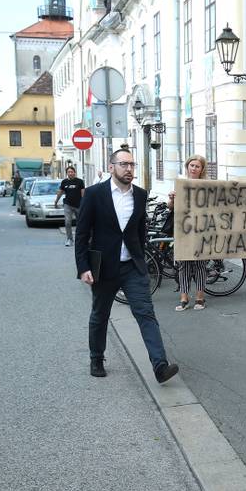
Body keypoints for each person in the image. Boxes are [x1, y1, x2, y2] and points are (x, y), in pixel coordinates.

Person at [74, 148, 179, 382]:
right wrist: (83, 267)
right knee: (100, 314)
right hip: (104, 267)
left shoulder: (140, 195)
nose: (129, 169)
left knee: (146, 314)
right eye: (123, 164)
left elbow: (139, 230)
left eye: (132, 164)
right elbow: (81, 234)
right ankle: (96, 357)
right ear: (112, 167)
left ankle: (160, 366)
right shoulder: (94, 194)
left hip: (132, 266)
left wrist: (140, 256)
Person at [168, 155, 209, 311]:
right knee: (183, 265)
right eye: (192, 165)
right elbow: (171, 207)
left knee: (200, 265)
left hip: (201, 231)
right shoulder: (180, 184)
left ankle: (200, 297)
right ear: (187, 167)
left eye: (197, 166)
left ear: (202, 169)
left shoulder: (207, 186)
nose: (194, 168)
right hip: (183, 231)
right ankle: (183, 298)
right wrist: (171, 199)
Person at [55, 166, 85, 247]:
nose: (70, 173)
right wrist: (56, 201)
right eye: (69, 172)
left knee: (80, 223)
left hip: (78, 205)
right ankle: (69, 239)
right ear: (67, 173)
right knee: (68, 222)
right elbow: (60, 192)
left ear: (74, 172)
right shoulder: (64, 182)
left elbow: (83, 194)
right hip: (67, 204)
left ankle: (80, 240)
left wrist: (84, 203)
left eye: (72, 172)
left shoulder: (80, 182)